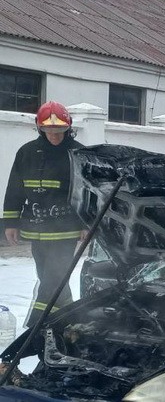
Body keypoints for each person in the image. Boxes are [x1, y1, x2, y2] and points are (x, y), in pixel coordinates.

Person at [3, 101, 85, 328]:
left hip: (66, 228)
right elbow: (15, 189)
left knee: (54, 277)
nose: (55, 136)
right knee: (50, 278)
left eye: (59, 131)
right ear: (40, 128)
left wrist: (86, 224)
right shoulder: (26, 152)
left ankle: (36, 326)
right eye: (49, 131)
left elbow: (87, 193)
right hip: (36, 229)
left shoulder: (78, 153)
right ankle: (70, 321)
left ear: (68, 128)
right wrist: (10, 222)